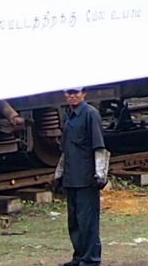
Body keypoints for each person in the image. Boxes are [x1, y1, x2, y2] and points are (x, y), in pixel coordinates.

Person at [52, 87, 108, 266]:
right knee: (74, 221)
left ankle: (91, 260)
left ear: (84, 93)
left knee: (88, 222)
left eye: (75, 92)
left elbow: (99, 147)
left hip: (86, 178)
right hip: (71, 178)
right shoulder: (68, 116)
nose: (72, 95)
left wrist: (100, 174)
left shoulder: (91, 114)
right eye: (68, 93)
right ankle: (79, 257)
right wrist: (58, 174)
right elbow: (65, 150)